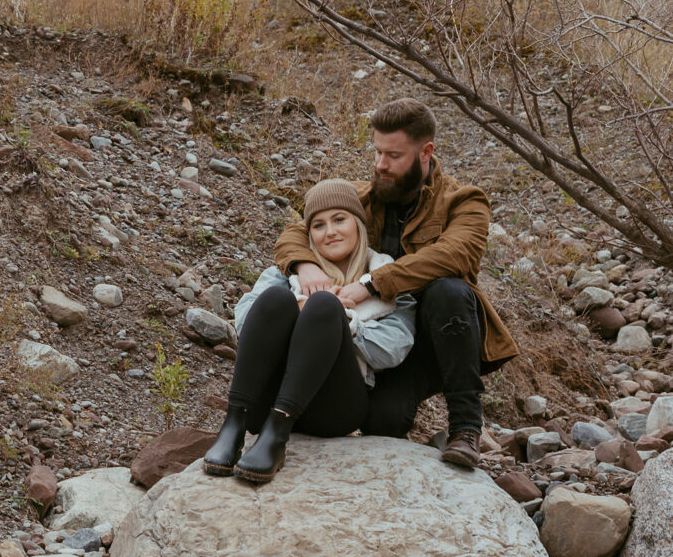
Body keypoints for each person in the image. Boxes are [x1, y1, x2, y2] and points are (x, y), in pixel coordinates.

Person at [275, 98, 519, 469]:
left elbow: (455, 255)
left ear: (426, 152)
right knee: (381, 423)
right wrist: (305, 265)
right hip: (379, 331)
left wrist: (372, 283)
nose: (380, 165)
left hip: (436, 341)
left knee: (449, 290)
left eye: (393, 155)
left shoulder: (464, 201)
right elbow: (294, 232)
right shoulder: (360, 197)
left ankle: (465, 429)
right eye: (377, 152)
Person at [203, 179, 416, 484]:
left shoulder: (389, 279)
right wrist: (297, 308)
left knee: (325, 307)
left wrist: (345, 321)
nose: (330, 231)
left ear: (358, 224)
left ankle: (277, 436)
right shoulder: (286, 270)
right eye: (318, 225)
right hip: (267, 399)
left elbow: (394, 349)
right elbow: (246, 323)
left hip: (336, 408)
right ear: (309, 234)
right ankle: (234, 424)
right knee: (278, 298)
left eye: (339, 220)